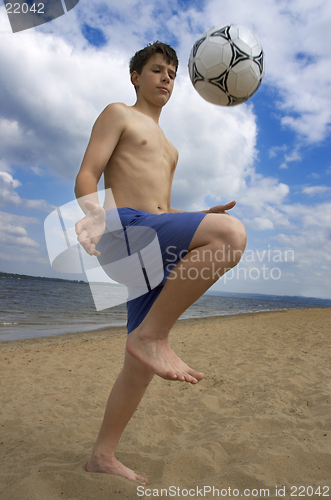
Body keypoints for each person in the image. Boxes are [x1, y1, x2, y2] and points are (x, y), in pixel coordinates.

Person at [75, 41, 247, 483]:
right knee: (232, 236)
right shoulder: (119, 113)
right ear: (136, 77)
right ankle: (154, 335)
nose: (166, 78)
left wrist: (199, 218)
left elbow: (163, 211)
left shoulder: (171, 150)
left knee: (139, 366)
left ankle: (102, 456)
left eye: (172, 72)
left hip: (149, 243)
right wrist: (94, 216)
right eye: (156, 70)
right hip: (123, 228)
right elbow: (87, 174)